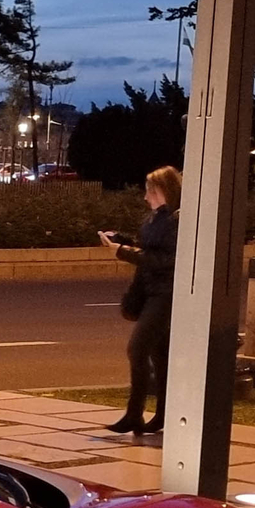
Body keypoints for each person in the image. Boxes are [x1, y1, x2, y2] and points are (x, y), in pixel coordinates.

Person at [98, 165, 181, 438]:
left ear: (163, 190)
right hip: (149, 290)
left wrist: (122, 252)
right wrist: (121, 242)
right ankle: (161, 414)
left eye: (150, 190)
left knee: (137, 349)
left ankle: (135, 414)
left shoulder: (178, 220)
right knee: (159, 355)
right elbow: (150, 250)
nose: (146, 196)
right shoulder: (156, 218)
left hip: (166, 293)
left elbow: (167, 260)